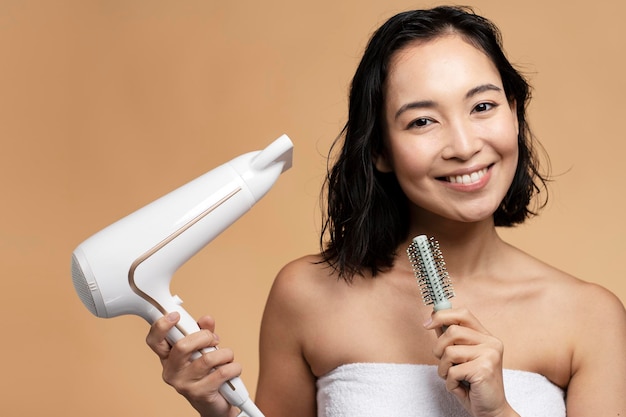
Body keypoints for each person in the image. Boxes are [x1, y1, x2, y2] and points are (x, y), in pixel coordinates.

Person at [146, 5, 626, 417]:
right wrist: (218, 409)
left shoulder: (589, 318)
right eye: (422, 120)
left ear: (514, 112)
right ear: (379, 149)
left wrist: (498, 410)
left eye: (482, 106)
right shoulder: (307, 297)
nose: (463, 145)